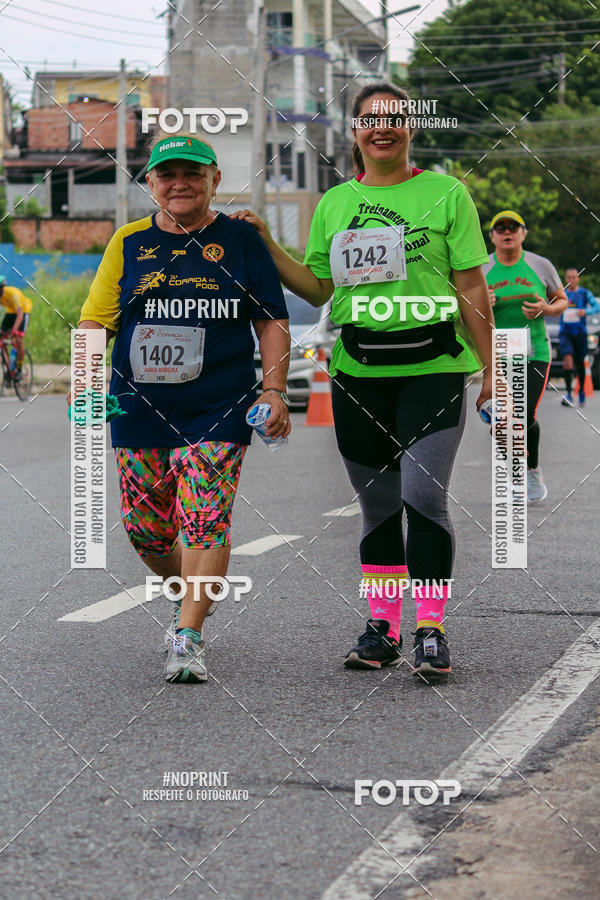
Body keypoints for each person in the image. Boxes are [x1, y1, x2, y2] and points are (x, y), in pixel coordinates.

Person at [232, 82, 493, 676]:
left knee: (422, 495)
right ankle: (383, 627)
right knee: (377, 507)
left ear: (410, 128)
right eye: (370, 120)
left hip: (433, 367)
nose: (383, 128)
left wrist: (490, 372)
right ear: (354, 133)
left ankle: (429, 628)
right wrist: (268, 244)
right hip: (358, 371)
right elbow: (320, 289)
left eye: (394, 118)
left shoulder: (447, 193)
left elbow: (473, 286)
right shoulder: (335, 203)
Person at [75, 133, 291, 683]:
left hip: (219, 407)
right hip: (138, 408)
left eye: (193, 174)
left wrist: (273, 390)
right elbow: (94, 323)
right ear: (150, 183)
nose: (180, 184)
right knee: (146, 531)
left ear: (214, 180)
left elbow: (270, 319)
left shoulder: (241, 240)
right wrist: (85, 385)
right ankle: (193, 591)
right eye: (167, 174)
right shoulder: (127, 243)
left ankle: (188, 634)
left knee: (204, 520)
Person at [483, 211, 568, 503]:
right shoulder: (481, 268)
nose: (507, 232)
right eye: (500, 228)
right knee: (501, 420)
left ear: (523, 232)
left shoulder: (539, 264)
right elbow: (464, 308)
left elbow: (562, 301)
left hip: (534, 352)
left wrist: (546, 307)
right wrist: (485, 305)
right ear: (492, 235)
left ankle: (531, 471)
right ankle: (514, 471)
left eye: (513, 227)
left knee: (523, 412)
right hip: (496, 353)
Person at [560, 268, 599, 407]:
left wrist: (586, 311)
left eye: (574, 277)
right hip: (565, 332)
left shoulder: (584, 293)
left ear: (578, 279)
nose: (571, 280)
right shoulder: (561, 294)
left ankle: (581, 390)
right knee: (567, 361)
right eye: (569, 277)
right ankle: (569, 393)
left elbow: (596, 307)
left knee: (580, 363)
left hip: (580, 332)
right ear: (565, 279)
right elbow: (552, 306)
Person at [0, 275, 32, 379]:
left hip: (23, 312)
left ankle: (19, 369)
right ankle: (9, 367)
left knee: (18, 339)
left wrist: (13, 331)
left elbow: (20, 315)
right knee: (1, 339)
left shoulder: (14, 294)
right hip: (10, 312)